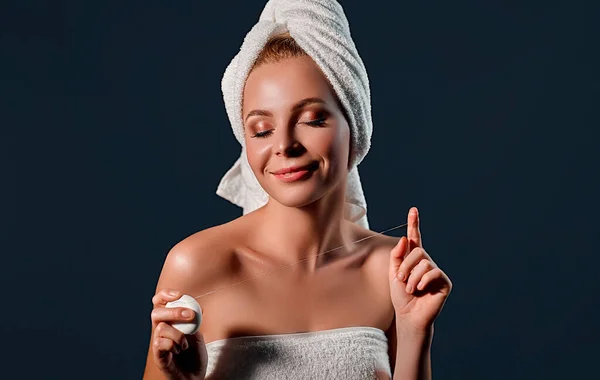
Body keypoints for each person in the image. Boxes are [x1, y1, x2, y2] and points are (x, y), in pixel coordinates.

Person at [143, 1, 452, 379]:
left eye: (312, 120)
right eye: (261, 129)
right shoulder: (196, 264)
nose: (285, 145)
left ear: (354, 125)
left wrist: (414, 330)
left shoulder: (394, 271)